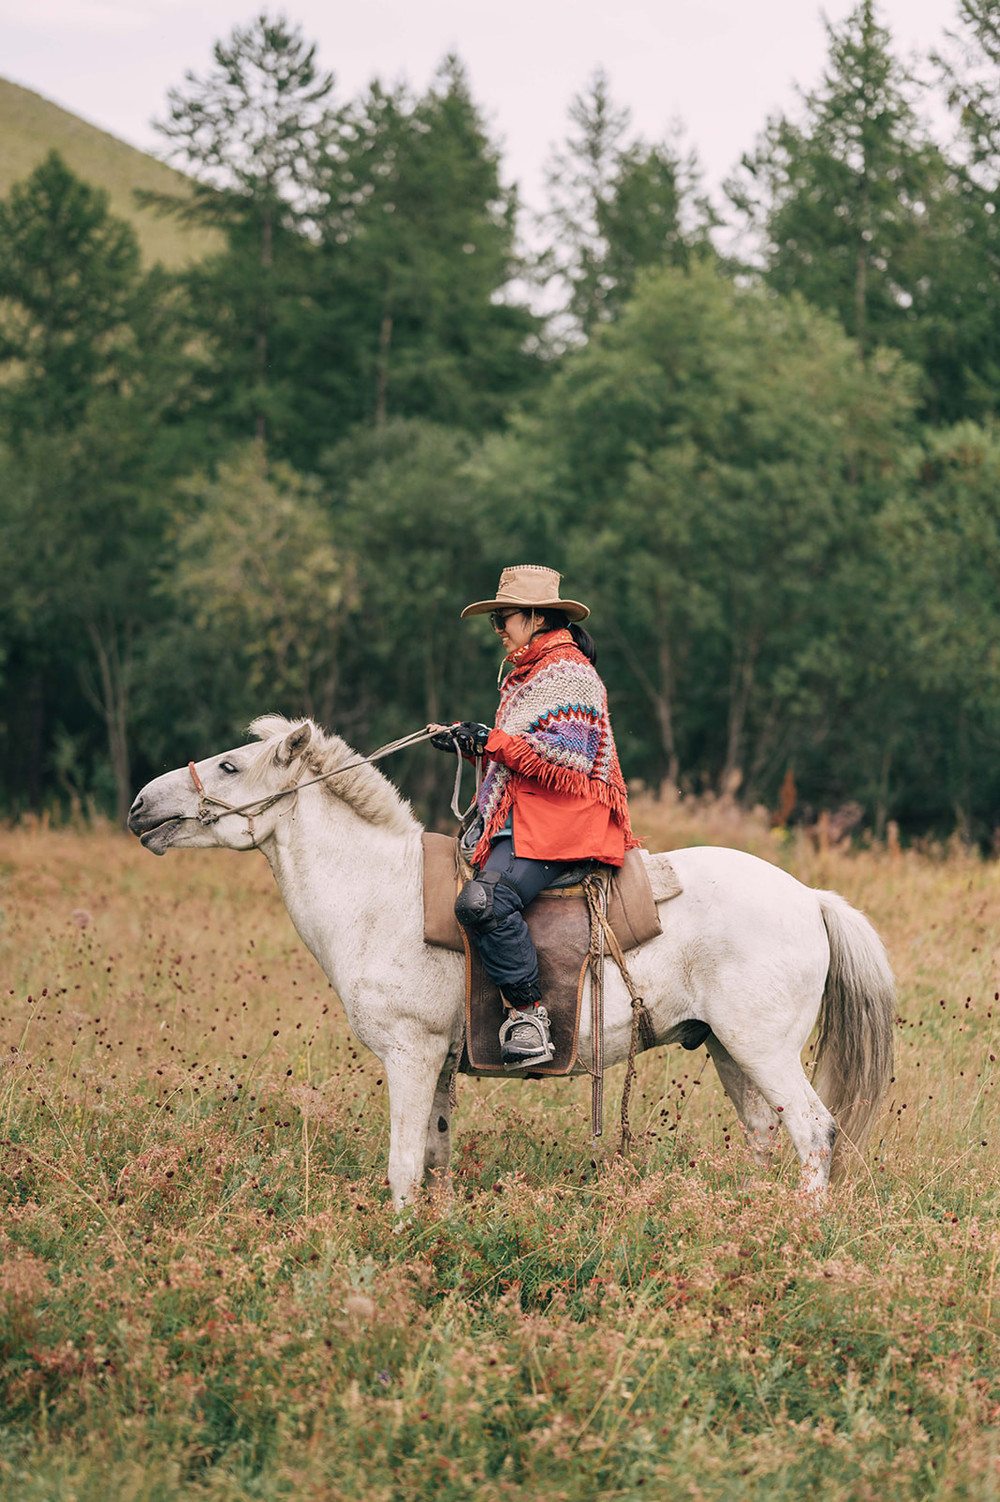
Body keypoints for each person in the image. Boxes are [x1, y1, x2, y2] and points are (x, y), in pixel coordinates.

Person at [430, 565, 638, 1069]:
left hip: (563, 826)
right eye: (496, 618)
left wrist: (491, 740)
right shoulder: (531, 672)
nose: (499, 627)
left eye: (505, 617)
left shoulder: (566, 672)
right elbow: (521, 756)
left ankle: (528, 1017)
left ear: (537, 616)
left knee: (484, 903)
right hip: (529, 817)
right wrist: (472, 744)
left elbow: (562, 757)